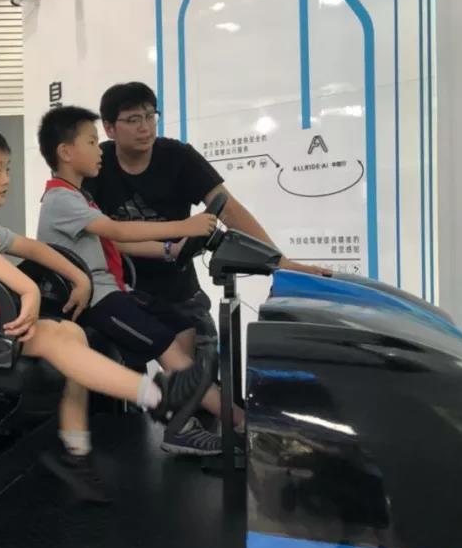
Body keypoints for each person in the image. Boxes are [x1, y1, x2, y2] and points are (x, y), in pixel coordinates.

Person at [0, 122, 213, 502]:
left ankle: (74, 453)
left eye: (7, 169)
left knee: (72, 333)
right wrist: (27, 288)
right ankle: (158, 398)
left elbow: (32, 247)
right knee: (48, 336)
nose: (6, 178)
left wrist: (78, 277)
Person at [36, 106, 245, 455]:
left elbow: (115, 243)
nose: (99, 151)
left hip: (114, 291)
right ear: (66, 152)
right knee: (167, 347)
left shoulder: (79, 197)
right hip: (97, 302)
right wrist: (185, 225)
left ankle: (186, 413)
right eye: (92, 142)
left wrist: (171, 249)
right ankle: (236, 421)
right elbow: (117, 231)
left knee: (182, 323)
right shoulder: (60, 200)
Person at [86, 82, 328, 349]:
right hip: (119, 291)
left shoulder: (179, 157)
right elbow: (93, 234)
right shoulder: (96, 163)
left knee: (205, 362)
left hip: (178, 291)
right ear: (109, 128)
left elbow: (229, 209)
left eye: (150, 116)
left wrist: (280, 262)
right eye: (133, 120)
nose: (145, 127)